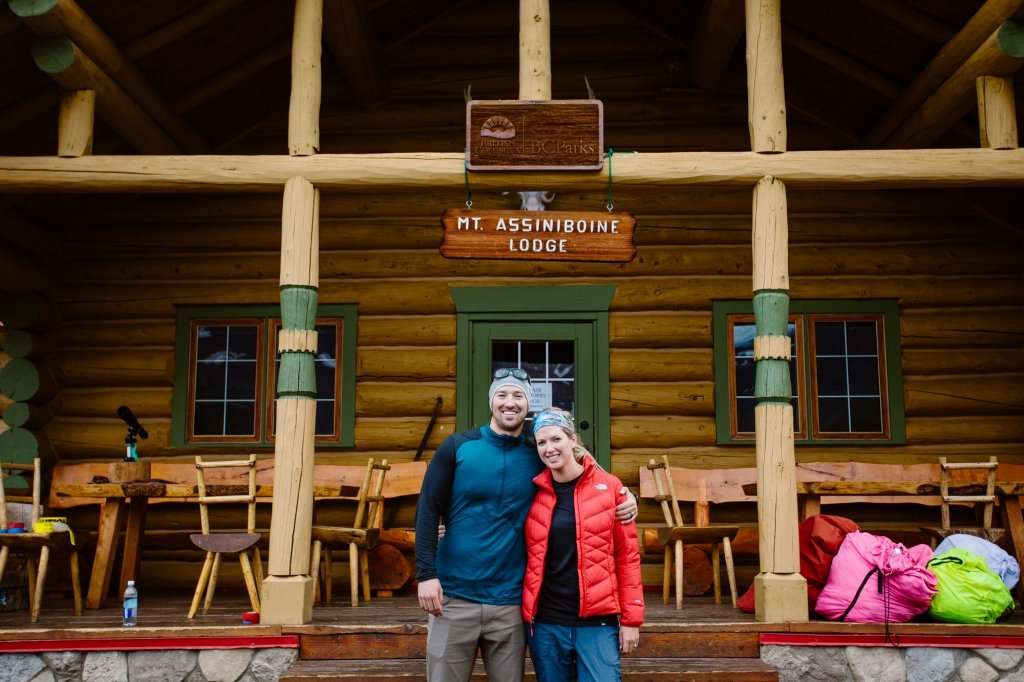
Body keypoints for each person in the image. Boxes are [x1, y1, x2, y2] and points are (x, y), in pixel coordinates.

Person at [415, 369, 638, 682]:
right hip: (454, 596)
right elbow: (427, 511)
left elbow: (587, 474)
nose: (510, 402)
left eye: (518, 395)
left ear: (527, 404)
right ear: (491, 400)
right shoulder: (457, 447)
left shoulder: (538, 453)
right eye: (502, 395)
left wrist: (627, 496)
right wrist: (426, 574)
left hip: (509, 601)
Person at [522, 407, 644, 682]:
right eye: (542, 442)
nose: (549, 448)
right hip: (546, 622)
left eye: (556, 439)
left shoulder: (611, 488)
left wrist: (631, 619)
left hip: (597, 623)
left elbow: (628, 557)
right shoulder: (532, 492)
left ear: (573, 440)